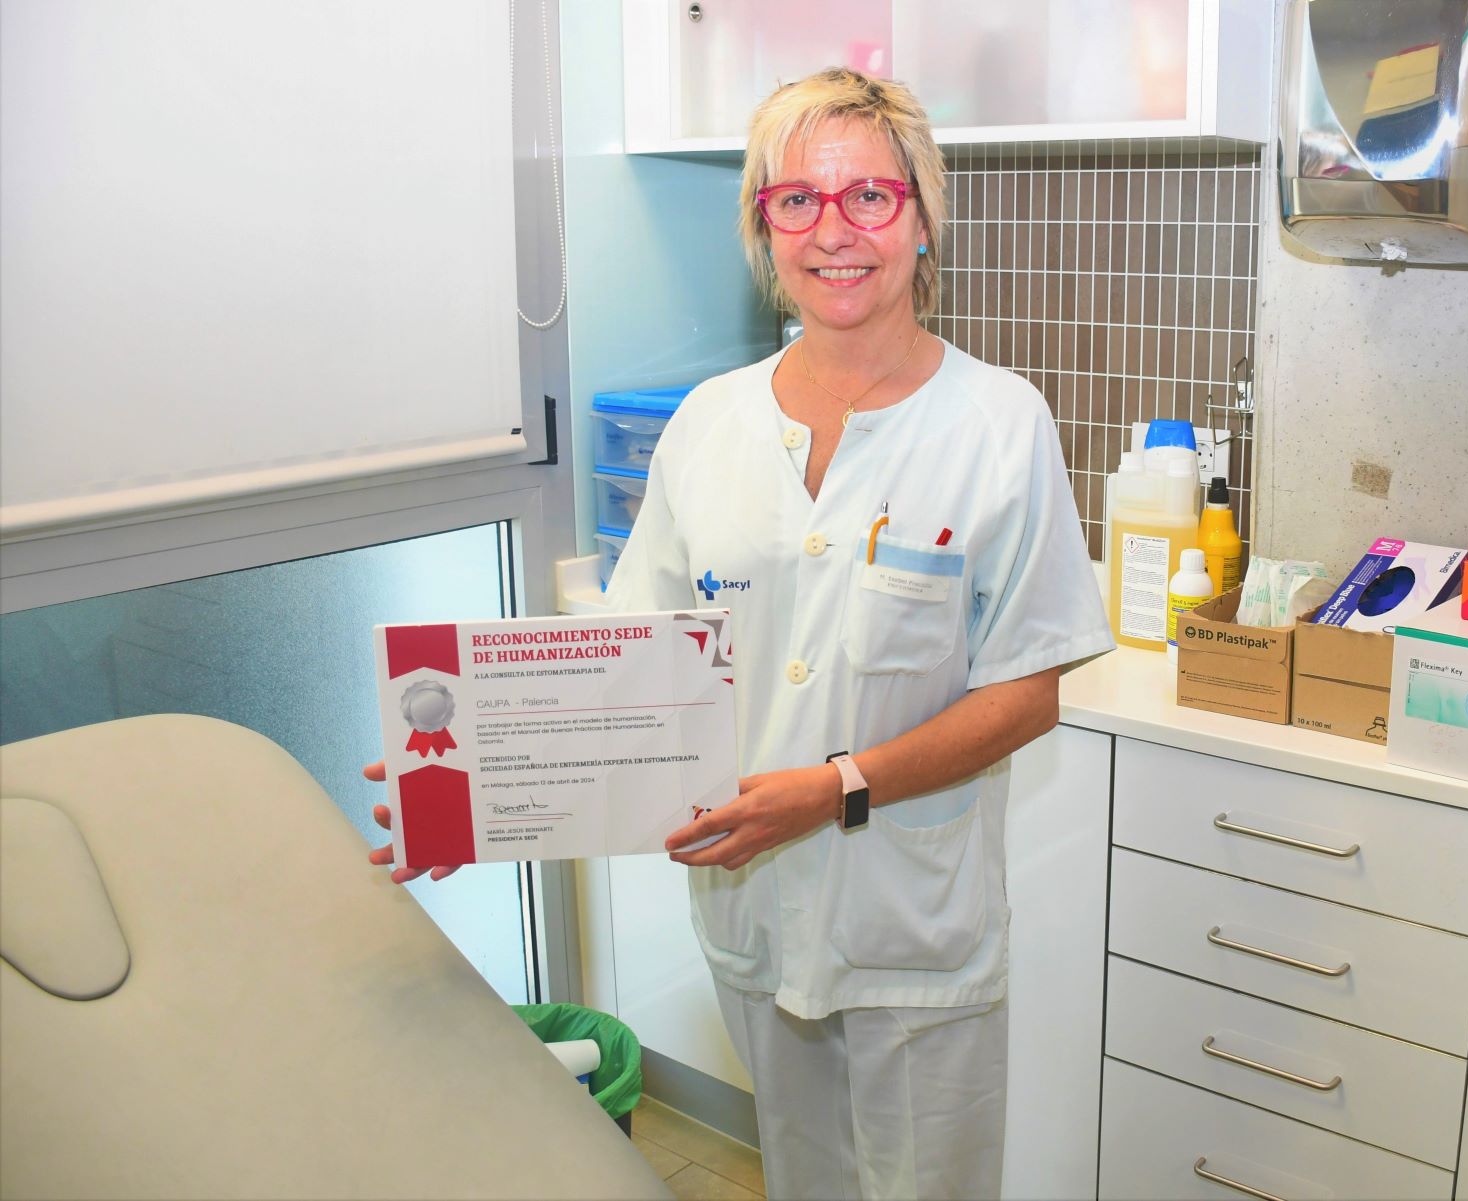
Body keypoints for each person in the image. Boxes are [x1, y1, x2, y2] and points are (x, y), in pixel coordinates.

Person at [371, 67, 1111, 1200]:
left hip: (914, 923)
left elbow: (1025, 693)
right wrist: (468, 786)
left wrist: (834, 788)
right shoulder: (710, 423)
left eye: (868, 196)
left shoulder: (999, 425)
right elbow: (627, 666)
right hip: (752, 908)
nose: (834, 231)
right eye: (795, 200)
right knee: (803, 1179)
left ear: (921, 217)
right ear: (763, 229)